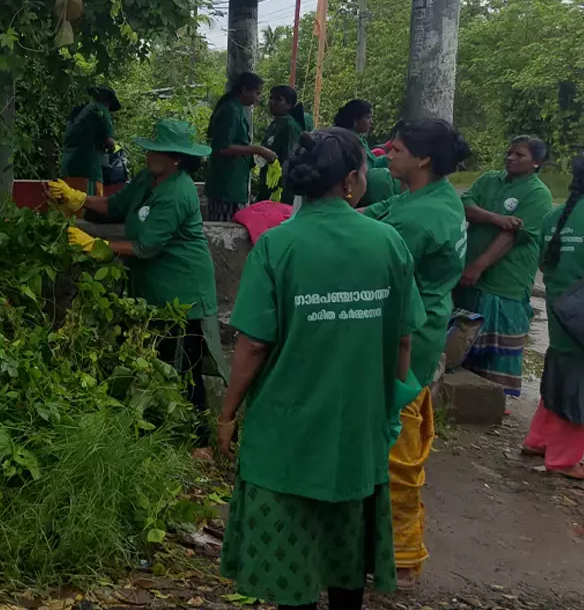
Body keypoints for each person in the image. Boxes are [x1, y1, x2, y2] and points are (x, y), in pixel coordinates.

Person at [219, 129, 424, 610]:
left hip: (287, 432)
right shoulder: (387, 243)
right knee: (346, 554)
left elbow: (252, 344)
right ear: (352, 181)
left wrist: (227, 415)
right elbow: (404, 337)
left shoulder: (277, 245)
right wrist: (390, 407)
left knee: (294, 564)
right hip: (357, 426)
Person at [47, 119, 228, 442]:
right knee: (154, 358)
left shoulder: (177, 192)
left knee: (183, 363)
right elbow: (115, 206)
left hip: (183, 290)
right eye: (150, 149)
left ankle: (199, 437)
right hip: (154, 288)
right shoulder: (149, 178)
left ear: (177, 158)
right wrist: (78, 199)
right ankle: (159, 428)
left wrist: (95, 246)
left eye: (157, 151)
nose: (148, 155)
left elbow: (146, 247)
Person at [362, 119, 470, 588]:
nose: (387, 154)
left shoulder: (422, 218)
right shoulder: (434, 197)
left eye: (397, 148)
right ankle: (379, 544)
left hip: (406, 335)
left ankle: (403, 558)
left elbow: (367, 258)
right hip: (420, 327)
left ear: (423, 159)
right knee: (392, 437)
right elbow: (381, 209)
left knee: (399, 450)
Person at [454, 135, 555, 397]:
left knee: (497, 344)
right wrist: (496, 218)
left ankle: (497, 398)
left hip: (505, 280)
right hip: (468, 275)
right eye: (509, 153)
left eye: (519, 155)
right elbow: (465, 204)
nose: (510, 158)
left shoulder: (538, 193)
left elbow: (513, 236)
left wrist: (478, 266)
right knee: (461, 333)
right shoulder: (489, 179)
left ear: (536, 163)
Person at [522, 154, 584, 478]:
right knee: (578, 386)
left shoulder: (556, 215)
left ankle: (539, 440)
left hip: (560, 310)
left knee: (558, 376)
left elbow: (544, 265)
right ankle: (563, 458)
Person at [205, 72, 275, 221]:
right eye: (257, 93)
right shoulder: (229, 110)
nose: (258, 98)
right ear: (244, 90)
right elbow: (223, 148)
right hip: (225, 183)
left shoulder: (238, 109)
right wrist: (258, 150)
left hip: (235, 181)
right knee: (224, 228)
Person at [58, 86, 121, 196]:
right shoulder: (101, 110)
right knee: (89, 207)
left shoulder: (77, 110)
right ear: (108, 101)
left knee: (69, 206)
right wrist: (112, 148)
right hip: (89, 171)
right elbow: (109, 142)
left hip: (67, 168)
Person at [255, 85, 306, 203]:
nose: (272, 102)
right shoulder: (275, 123)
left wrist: (280, 187)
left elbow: (289, 159)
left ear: (289, 104)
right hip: (268, 184)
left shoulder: (289, 126)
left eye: (278, 99)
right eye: (271, 98)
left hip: (281, 190)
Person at [333, 98, 387, 169]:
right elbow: (366, 171)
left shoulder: (359, 139)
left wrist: (389, 159)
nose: (371, 122)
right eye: (368, 118)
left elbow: (372, 163)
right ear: (355, 121)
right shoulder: (348, 142)